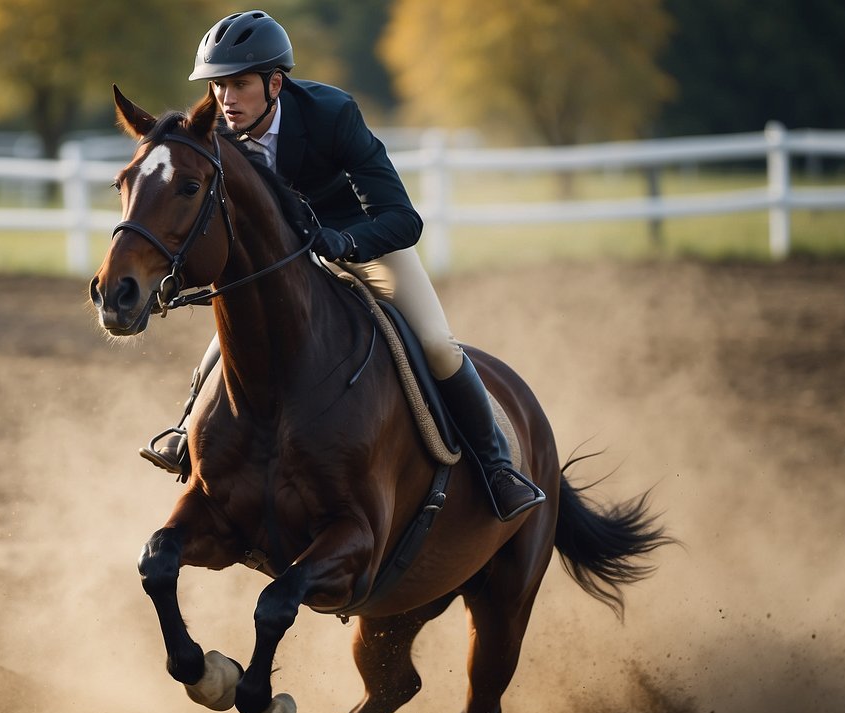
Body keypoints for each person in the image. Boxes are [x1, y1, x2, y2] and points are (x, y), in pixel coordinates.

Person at [139, 9, 544, 522]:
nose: (226, 100)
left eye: (239, 85)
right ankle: (184, 433)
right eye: (219, 86)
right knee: (222, 347)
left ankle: (497, 467)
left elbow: (402, 218)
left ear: (275, 83)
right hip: (285, 264)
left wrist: (344, 241)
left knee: (438, 345)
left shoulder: (331, 114)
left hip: (365, 243)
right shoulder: (217, 138)